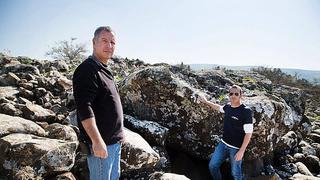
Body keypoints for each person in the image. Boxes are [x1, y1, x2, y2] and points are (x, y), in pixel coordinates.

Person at [73, 26, 124, 180]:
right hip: (102, 145)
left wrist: (120, 133)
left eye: (113, 42)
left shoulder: (104, 69)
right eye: (104, 41)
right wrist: (97, 141)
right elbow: (84, 108)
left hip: (114, 143)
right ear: (94, 42)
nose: (109, 46)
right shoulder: (87, 69)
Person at [199, 85, 253, 180]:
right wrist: (206, 102)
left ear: (241, 95)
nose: (233, 96)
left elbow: (249, 133)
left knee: (236, 174)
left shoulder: (246, 111)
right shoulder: (228, 107)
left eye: (236, 94)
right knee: (212, 166)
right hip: (223, 144)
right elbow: (219, 108)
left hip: (236, 149)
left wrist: (242, 151)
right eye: (231, 93)